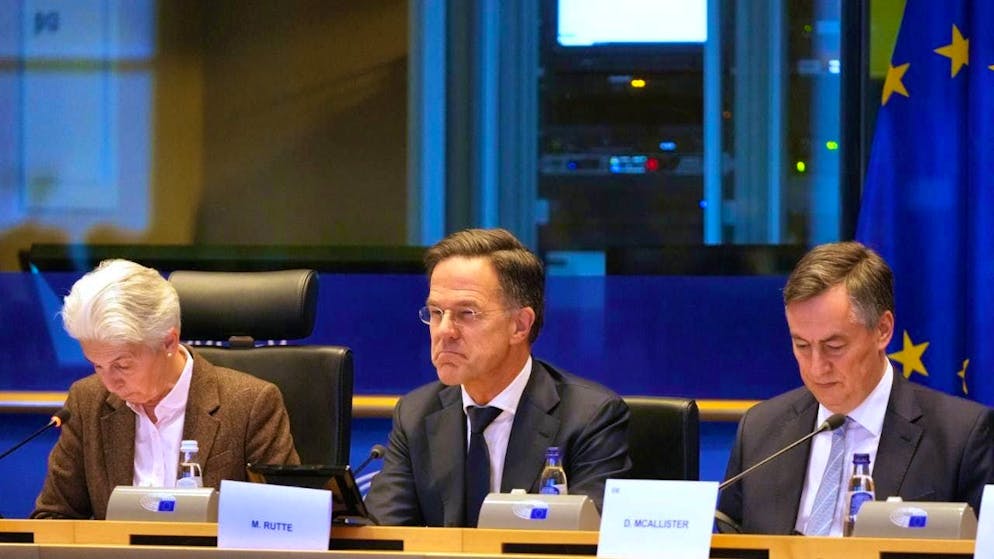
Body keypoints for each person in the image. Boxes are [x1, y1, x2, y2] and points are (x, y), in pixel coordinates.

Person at [717, 241, 994, 535]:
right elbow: (730, 542)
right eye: (801, 345)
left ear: (882, 330)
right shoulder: (761, 430)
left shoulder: (960, 438)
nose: (816, 367)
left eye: (834, 346)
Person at [365, 228, 631, 527]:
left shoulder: (589, 418)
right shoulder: (415, 414)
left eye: (467, 313)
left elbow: (586, 541)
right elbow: (384, 534)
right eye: (436, 312)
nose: (444, 331)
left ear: (520, 325)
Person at [32, 259, 299, 519]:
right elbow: (53, 517)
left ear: (168, 342)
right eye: (97, 366)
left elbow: (283, 523)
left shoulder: (249, 405)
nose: (109, 383)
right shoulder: (87, 401)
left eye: (122, 365)